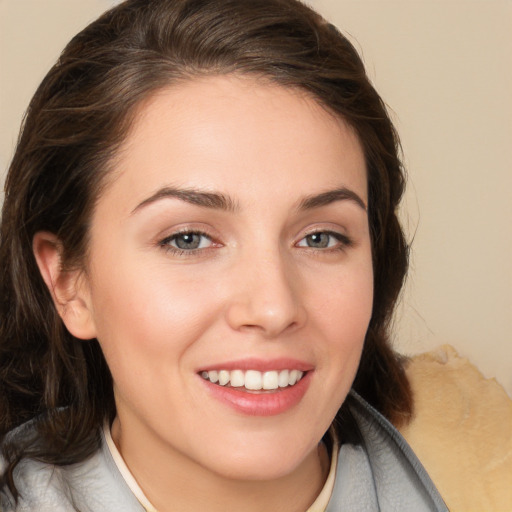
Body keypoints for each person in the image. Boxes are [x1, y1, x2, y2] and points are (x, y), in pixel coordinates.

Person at [0, 0, 448, 510]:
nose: (274, 308)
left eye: (321, 237)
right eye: (188, 239)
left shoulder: (481, 470)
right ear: (69, 282)